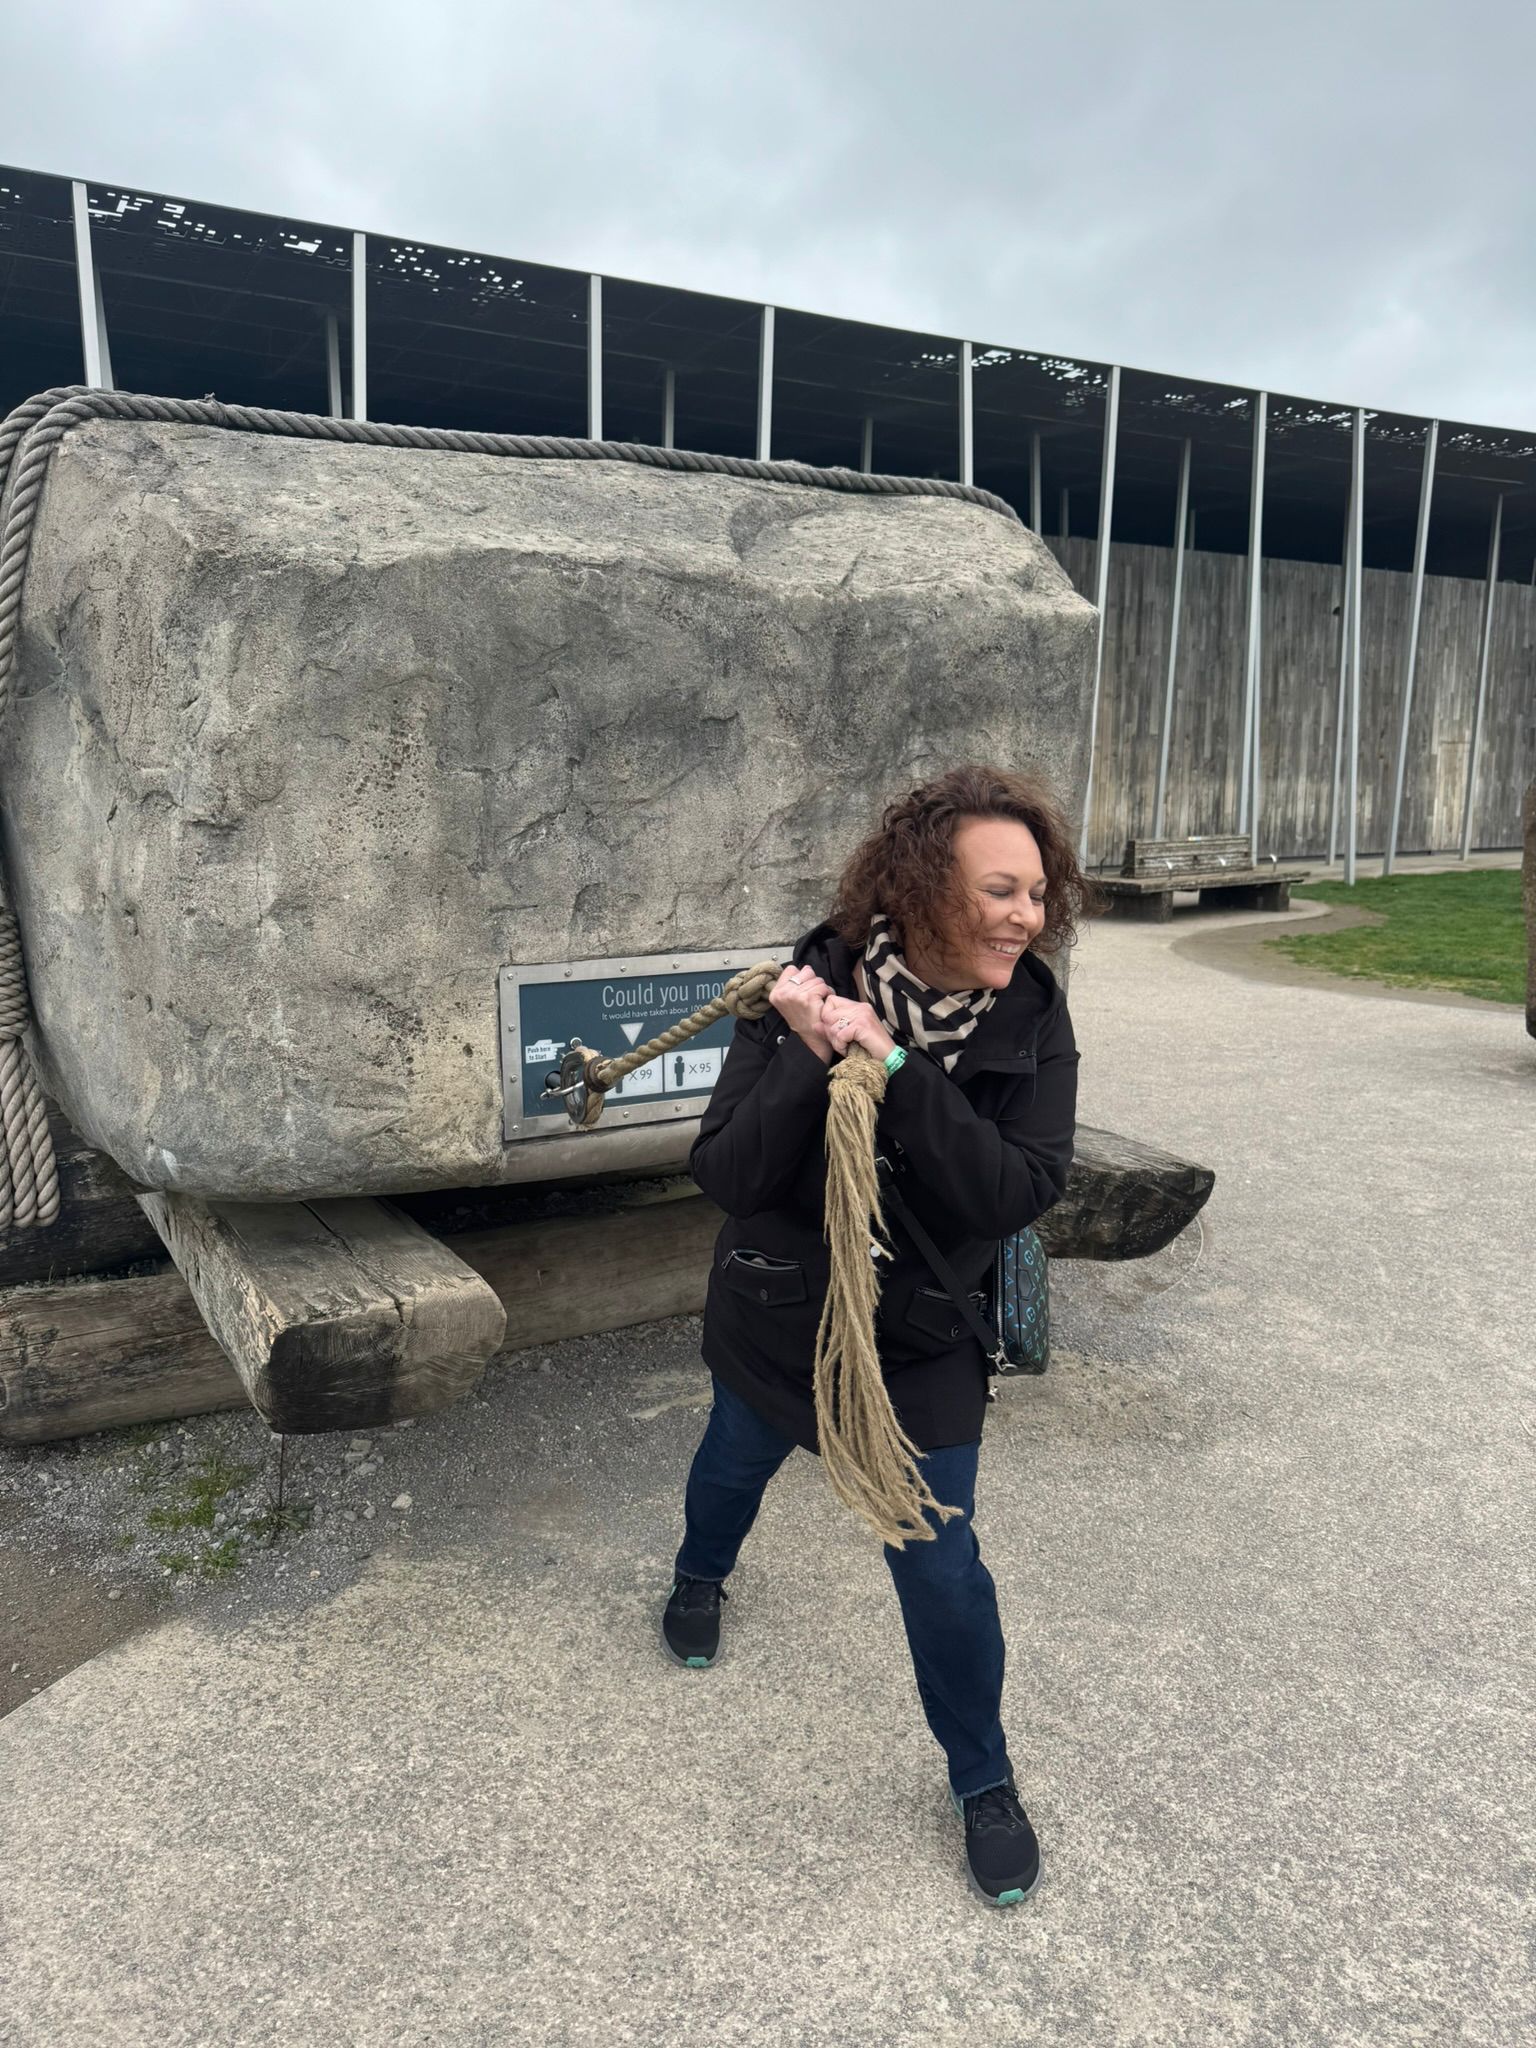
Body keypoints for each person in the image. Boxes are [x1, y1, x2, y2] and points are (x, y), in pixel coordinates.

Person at [660, 762, 1088, 1907]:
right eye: (999, 889)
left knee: (943, 1566)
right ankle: (701, 1574)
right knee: (732, 1464)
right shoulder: (806, 984)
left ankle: (981, 1774)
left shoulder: (1033, 1020)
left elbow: (1014, 1188)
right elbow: (728, 1171)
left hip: (922, 1339)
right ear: (922, 887)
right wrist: (811, 1053)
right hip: (783, 1314)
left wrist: (892, 1066)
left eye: (1036, 892)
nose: (1027, 914)